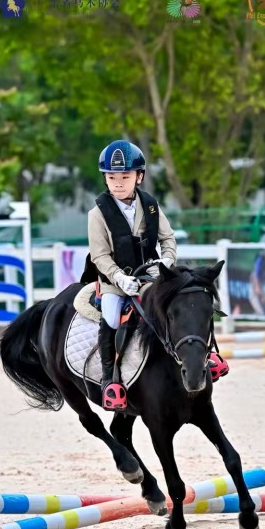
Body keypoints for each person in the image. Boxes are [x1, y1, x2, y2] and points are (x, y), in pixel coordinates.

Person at [86, 140, 178, 410]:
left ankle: (199, 358)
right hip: (116, 281)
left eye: (125, 177)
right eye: (111, 177)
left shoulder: (150, 205)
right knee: (113, 316)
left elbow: (167, 238)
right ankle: (108, 379)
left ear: (139, 176)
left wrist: (167, 260)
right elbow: (99, 256)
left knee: (177, 303)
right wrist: (119, 278)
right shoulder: (97, 213)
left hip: (150, 276)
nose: (117, 183)